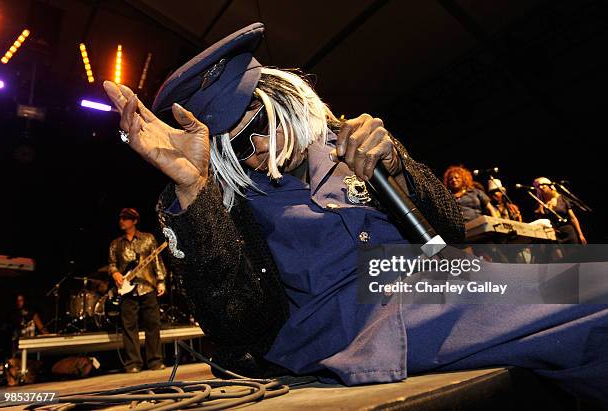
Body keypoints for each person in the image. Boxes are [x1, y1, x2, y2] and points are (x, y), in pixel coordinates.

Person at [103, 23, 608, 406]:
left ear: (283, 98)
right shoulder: (225, 202)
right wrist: (194, 189)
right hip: (358, 324)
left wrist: (398, 164)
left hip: (438, 280)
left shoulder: (347, 138)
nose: (256, 146)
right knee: (594, 298)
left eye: (258, 120)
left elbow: (450, 230)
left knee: (593, 293)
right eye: (232, 144)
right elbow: (236, 324)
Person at [108, 208, 167, 372]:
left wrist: (161, 281)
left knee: (153, 325)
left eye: (126, 218)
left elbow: (156, 260)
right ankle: (133, 363)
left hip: (147, 286)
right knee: (129, 327)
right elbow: (112, 264)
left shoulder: (148, 239)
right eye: (121, 218)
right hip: (126, 290)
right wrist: (116, 274)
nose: (122, 221)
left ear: (134, 221)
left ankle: (155, 361)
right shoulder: (115, 244)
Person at [533, 177, 587, 244]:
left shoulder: (562, 198)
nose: (540, 187)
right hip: (554, 235)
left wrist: (580, 235)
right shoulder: (540, 204)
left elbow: (573, 218)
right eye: (537, 186)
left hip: (568, 231)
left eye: (542, 184)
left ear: (549, 185)